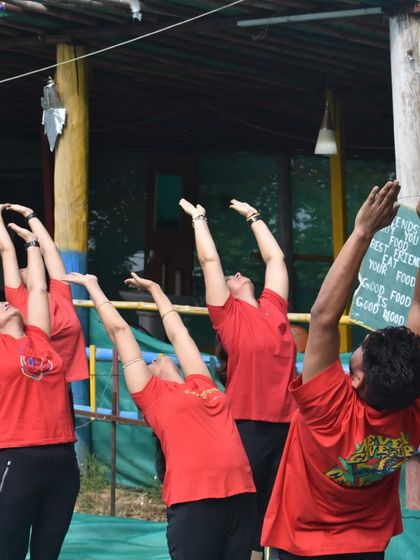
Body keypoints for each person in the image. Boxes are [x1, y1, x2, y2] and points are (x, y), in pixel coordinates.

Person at [262, 180, 420, 559]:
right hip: (367, 547)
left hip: (302, 547)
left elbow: (323, 317)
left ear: (358, 378)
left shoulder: (330, 411)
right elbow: (417, 312)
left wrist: (364, 231)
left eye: (362, 348)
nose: (361, 342)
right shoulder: (411, 407)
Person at [63, 270, 257, 560]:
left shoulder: (200, 382)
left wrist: (155, 289)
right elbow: (120, 332)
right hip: (195, 501)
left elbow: (179, 334)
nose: (159, 358)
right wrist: (93, 286)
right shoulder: (151, 395)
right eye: (151, 360)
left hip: (241, 496)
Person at [179, 197, 297, 559]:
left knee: (286, 514)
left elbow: (275, 260)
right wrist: (200, 219)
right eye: (228, 279)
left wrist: (253, 216)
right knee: (248, 521)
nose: (235, 275)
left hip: (291, 428)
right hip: (247, 429)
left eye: (236, 274)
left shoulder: (274, 308)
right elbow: (210, 261)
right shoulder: (228, 318)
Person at [0, 205, 79, 560]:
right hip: (17, 455)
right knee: (10, 548)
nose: (4, 302)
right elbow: (6, 254)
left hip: (62, 455)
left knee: (48, 551)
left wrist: (32, 242)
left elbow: (39, 288)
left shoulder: (40, 337)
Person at [4, 203, 89, 420]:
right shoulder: (19, 300)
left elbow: (49, 250)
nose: (24, 269)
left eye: (28, 266)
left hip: (62, 387)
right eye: (21, 269)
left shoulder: (60, 295)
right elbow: (7, 251)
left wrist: (29, 214)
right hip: (33, 387)